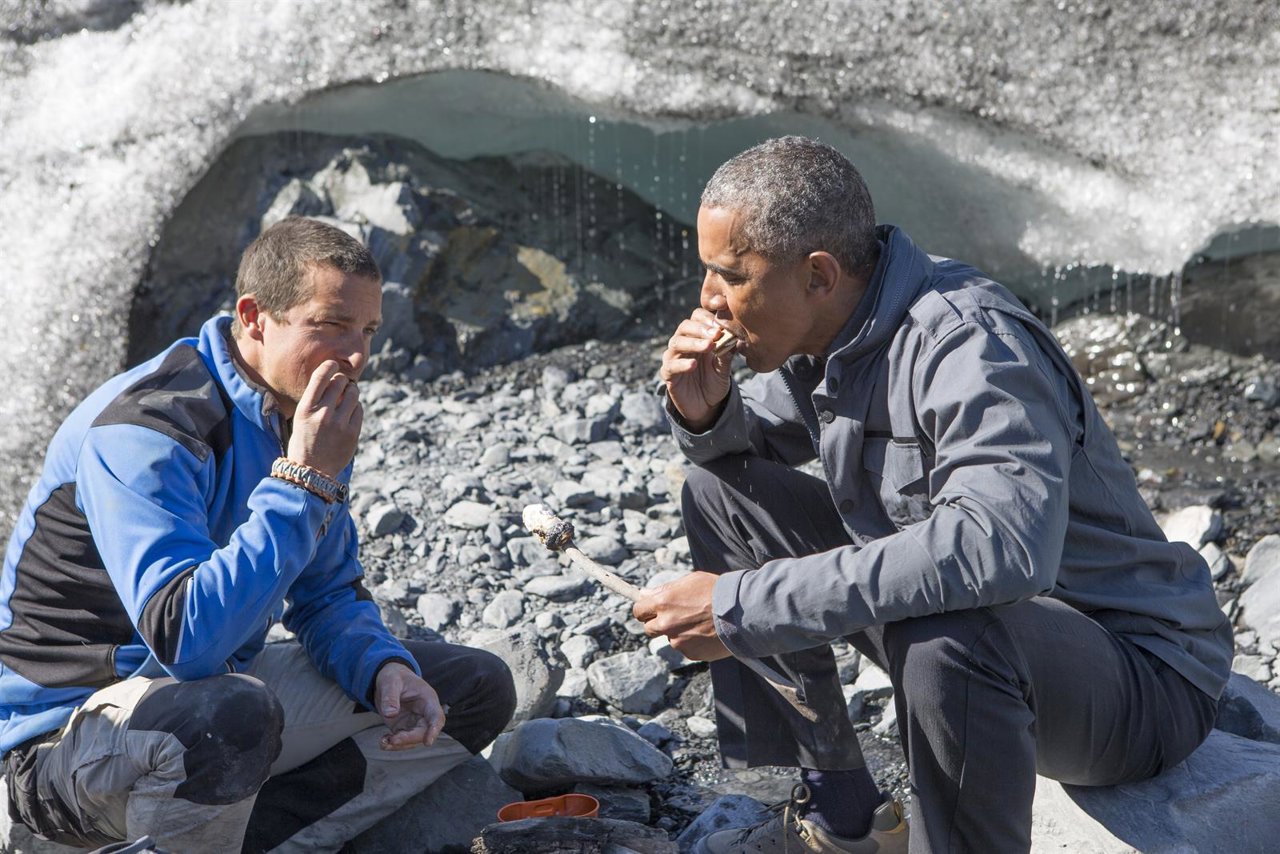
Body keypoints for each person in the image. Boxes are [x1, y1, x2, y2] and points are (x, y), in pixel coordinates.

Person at [634, 137, 1232, 854]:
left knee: (946, 633)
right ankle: (845, 818)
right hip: (996, 651)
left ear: (817, 274)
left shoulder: (971, 345)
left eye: (729, 275)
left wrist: (742, 606)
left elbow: (1002, 551)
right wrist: (705, 415)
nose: (707, 298)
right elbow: (756, 449)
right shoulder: (834, 328)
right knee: (719, 489)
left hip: (1139, 685)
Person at [0, 217, 516, 852]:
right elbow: (185, 637)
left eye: (368, 330)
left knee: (468, 690)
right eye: (330, 326)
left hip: (206, 699)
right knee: (229, 718)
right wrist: (303, 479)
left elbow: (326, 593)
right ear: (254, 317)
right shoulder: (146, 429)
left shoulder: (303, 411)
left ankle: (234, 837)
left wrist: (381, 667)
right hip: (58, 744)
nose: (355, 356)